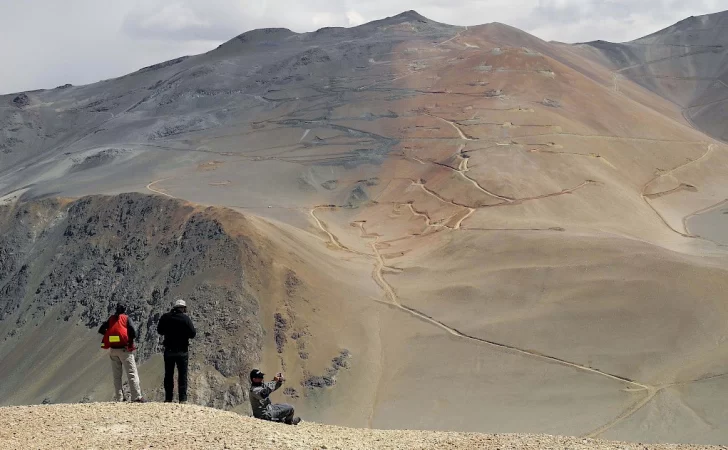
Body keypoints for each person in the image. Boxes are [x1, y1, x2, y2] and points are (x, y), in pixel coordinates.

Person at [98, 303, 145, 402]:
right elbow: (134, 331)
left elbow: (101, 329)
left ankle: (119, 398)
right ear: (125, 310)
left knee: (117, 376)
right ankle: (136, 397)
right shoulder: (126, 318)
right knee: (131, 373)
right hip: (124, 350)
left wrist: (108, 334)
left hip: (113, 350)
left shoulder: (111, 319)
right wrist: (129, 338)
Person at [157, 299, 196, 404]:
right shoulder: (185, 319)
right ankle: (182, 399)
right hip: (182, 351)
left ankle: (168, 398)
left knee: (169, 375)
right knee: (182, 375)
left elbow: (159, 330)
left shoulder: (166, 317)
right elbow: (193, 334)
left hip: (169, 351)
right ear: (183, 308)